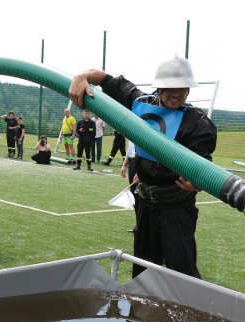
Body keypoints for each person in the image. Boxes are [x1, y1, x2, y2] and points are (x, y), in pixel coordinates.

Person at [69, 55, 217, 278]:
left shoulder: (198, 123)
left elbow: (202, 163)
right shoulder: (140, 103)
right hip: (145, 204)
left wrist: (197, 182)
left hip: (177, 208)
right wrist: (81, 76)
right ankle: (138, 312)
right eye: (169, 88)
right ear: (158, 88)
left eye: (183, 88)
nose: (176, 94)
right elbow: (104, 78)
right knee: (142, 270)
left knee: (182, 271)